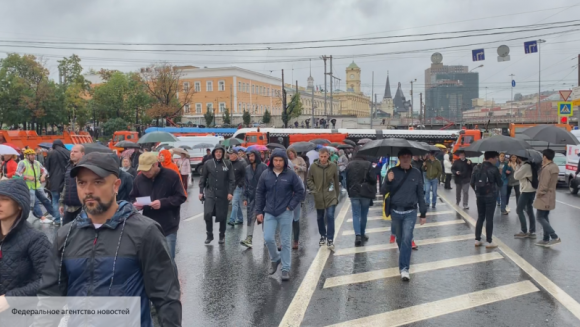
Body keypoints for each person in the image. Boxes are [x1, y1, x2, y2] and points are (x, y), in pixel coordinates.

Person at [37, 153, 181, 326]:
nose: (88, 190)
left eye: (98, 182)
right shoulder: (66, 235)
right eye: (82, 182)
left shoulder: (145, 232)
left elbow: (166, 298)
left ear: (116, 186)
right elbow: (50, 297)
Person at [0, 178, 51, 321]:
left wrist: (11, 299)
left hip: (22, 317)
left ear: (19, 205)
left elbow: (49, 279)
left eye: (4, 199)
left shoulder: (35, 239)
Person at [255, 149, 304, 281]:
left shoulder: (291, 175)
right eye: (275, 160)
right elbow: (259, 193)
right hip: (269, 211)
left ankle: (285, 269)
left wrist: (290, 206)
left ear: (284, 161)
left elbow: (300, 191)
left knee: (286, 241)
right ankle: (276, 258)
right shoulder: (266, 174)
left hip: (285, 212)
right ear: (272, 161)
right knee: (268, 238)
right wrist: (258, 211)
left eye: (280, 160)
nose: (277, 163)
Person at [380, 148, 427, 281]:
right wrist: (388, 181)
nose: (406, 158)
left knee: (407, 239)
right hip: (395, 212)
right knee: (400, 240)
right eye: (403, 156)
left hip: (410, 212)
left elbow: (420, 194)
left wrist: (423, 213)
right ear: (399, 158)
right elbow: (383, 191)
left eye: (408, 156)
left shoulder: (417, 173)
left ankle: (404, 269)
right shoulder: (392, 172)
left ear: (411, 158)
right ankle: (404, 256)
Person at [130, 152, 187, 259]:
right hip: (148, 226)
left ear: (156, 164)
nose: (145, 172)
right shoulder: (139, 179)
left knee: (168, 259)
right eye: (143, 170)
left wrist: (162, 203)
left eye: (148, 169)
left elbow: (181, 197)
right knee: (151, 260)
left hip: (169, 225)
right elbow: (132, 197)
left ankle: (171, 276)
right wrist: (136, 205)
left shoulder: (171, 176)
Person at [199, 145, 235, 244]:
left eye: (220, 152)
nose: (218, 154)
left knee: (222, 215)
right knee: (207, 213)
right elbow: (203, 178)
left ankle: (222, 235)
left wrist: (230, 192)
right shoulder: (208, 163)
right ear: (214, 153)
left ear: (223, 153)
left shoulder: (227, 164)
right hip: (210, 192)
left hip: (223, 193)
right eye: (216, 152)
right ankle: (209, 235)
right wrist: (201, 192)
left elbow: (232, 180)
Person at [307, 147, 340, 249]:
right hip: (319, 196)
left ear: (328, 156)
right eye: (321, 157)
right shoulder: (313, 166)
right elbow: (309, 179)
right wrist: (314, 189)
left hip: (331, 195)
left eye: (325, 156)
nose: (323, 159)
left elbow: (336, 180)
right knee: (320, 217)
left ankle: (330, 239)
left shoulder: (333, 166)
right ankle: (323, 235)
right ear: (319, 156)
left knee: (330, 216)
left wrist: (336, 195)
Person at [470, 151, 503, 249]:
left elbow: (472, 182)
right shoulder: (494, 169)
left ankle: (477, 239)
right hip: (490, 196)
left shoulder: (476, 167)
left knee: (480, 217)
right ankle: (489, 241)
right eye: (496, 158)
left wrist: (478, 192)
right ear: (491, 158)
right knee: (489, 218)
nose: (496, 160)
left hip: (479, 196)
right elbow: (500, 184)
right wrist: (499, 174)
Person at [16, 149, 57, 224]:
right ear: (27, 156)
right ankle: (42, 217)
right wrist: (27, 177)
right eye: (32, 155)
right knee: (34, 202)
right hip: (28, 186)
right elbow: (18, 174)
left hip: (37, 185)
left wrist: (43, 176)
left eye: (34, 155)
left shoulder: (37, 163)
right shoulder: (22, 163)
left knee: (45, 199)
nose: (34, 156)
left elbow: (44, 170)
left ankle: (55, 215)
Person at [346, 153, 377, 246]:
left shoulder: (349, 165)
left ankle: (358, 235)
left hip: (353, 192)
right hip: (365, 192)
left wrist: (349, 191)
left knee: (355, 214)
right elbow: (373, 179)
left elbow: (346, 180)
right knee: (364, 215)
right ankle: (362, 234)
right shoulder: (368, 164)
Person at [240, 149, 268, 248]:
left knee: (264, 217)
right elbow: (245, 184)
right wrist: (244, 197)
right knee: (250, 217)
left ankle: (266, 239)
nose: (250, 158)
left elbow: (268, 181)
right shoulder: (247, 169)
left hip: (263, 196)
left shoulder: (264, 167)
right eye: (249, 156)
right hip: (251, 197)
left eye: (252, 156)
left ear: (256, 156)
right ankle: (249, 238)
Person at [533, 149, 561, 247]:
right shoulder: (554, 167)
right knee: (544, 217)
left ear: (545, 157)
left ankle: (554, 236)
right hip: (550, 195)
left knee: (539, 217)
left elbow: (543, 185)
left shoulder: (547, 169)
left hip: (544, 196)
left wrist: (539, 194)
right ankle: (545, 239)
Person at [44, 139, 70, 225]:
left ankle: (57, 220)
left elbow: (47, 167)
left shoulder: (51, 153)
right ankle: (67, 219)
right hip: (66, 180)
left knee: (55, 200)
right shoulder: (67, 152)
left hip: (54, 181)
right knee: (66, 201)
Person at [58, 144, 85, 225]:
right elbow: (66, 187)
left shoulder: (85, 168)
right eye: (71, 152)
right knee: (65, 232)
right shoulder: (68, 167)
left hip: (82, 208)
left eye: (75, 152)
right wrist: (61, 203)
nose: (72, 153)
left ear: (82, 154)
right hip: (69, 208)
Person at [287, 148, 307, 249]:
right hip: (285, 199)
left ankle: (295, 241)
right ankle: (285, 241)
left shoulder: (300, 159)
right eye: (289, 154)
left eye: (291, 153)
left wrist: (297, 167)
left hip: (296, 195)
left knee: (295, 219)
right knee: (284, 221)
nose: (290, 155)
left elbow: (304, 168)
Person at [513, 155, 537, 239]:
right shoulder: (529, 164)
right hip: (531, 190)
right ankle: (532, 231)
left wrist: (517, 167)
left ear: (519, 158)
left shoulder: (525, 166)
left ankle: (524, 231)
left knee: (519, 210)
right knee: (529, 210)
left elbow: (516, 176)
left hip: (526, 191)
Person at [227, 149, 246, 226]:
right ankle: (240, 218)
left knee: (234, 203)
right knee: (237, 203)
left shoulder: (241, 164)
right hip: (229, 187)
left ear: (236, 155)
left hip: (237, 187)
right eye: (229, 154)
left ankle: (232, 220)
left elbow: (244, 176)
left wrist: (240, 184)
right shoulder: (227, 164)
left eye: (232, 154)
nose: (230, 156)